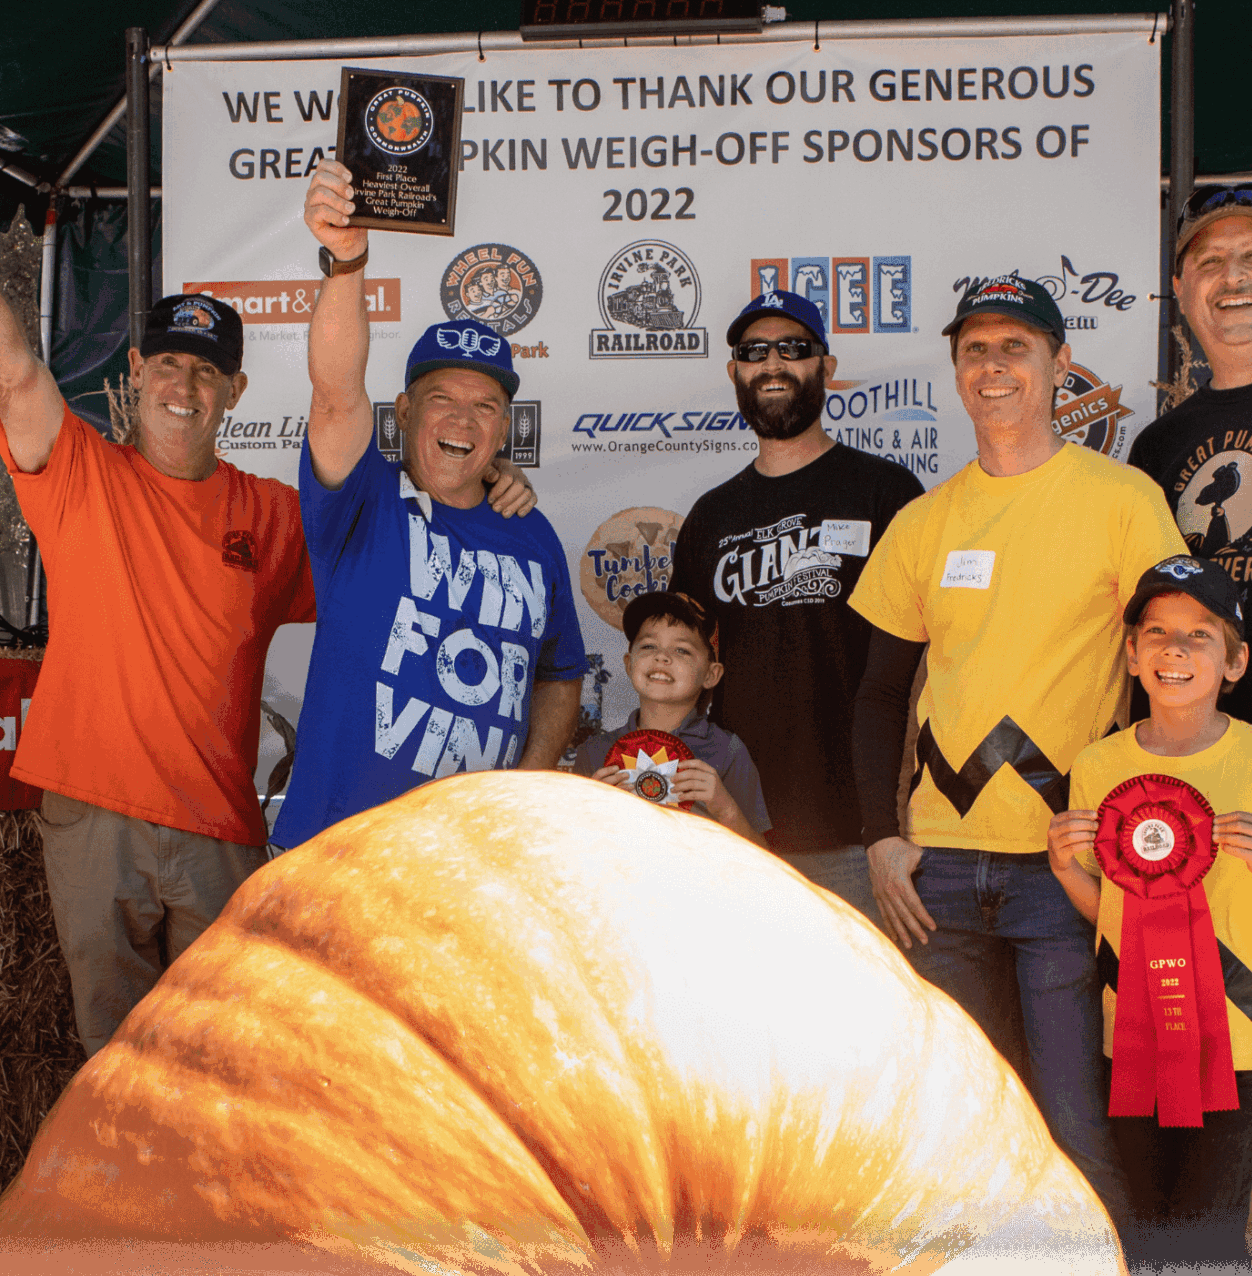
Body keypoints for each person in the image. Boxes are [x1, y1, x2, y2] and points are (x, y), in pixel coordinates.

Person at [850, 275, 1188, 1227]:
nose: (993, 368)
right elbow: (878, 696)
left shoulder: (1123, 500)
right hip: (938, 872)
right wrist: (882, 835)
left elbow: (1173, 657)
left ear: (1059, 365)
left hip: (1065, 864)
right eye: (975, 351)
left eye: (1015, 349)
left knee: (1075, 1121)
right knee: (967, 1123)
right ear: (957, 373)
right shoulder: (925, 522)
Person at [0, 292, 317, 1056]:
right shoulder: (79, 469)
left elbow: (383, 561)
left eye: (208, 371)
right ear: (136, 369)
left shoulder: (275, 515)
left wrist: (495, 486)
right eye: (169, 363)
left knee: (218, 1060)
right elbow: (13, 375)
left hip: (220, 828)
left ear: (236, 392)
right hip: (96, 816)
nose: (185, 387)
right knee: (111, 1061)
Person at [283, 157, 581, 847]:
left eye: (485, 407)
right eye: (442, 400)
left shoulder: (531, 533)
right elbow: (334, 390)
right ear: (405, 412)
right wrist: (347, 263)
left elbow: (560, 676)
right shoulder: (365, 501)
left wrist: (525, 794)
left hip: (469, 867)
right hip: (339, 853)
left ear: (505, 429)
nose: (463, 422)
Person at [1048, 555, 1252, 1276]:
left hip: (1240, 1038)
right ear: (1133, 655)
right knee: (1149, 1224)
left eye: (1198, 638)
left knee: (1211, 1231)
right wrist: (1061, 869)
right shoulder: (1099, 765)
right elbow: (1104, 908)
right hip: (1134, 1035)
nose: (1174, 653)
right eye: (1157, 636)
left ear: (1236, 661)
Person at [668, 289, 925, 916]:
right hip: (740, 823)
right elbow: (680, 675)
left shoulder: (886, 491)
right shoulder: (711, 516)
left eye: (794, 348)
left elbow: (925, 665)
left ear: (827, 369)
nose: (773, 364)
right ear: (735, 373)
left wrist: (893, 822)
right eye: (754, 352)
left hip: (864, 833)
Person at [1126, 182, 1252, 730]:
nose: (1233, 277)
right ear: (1179, 288)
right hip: (1193, 763)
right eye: (1210, 261)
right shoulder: (1156, 446)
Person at [573, 589, 770, 846]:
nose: (662, 656)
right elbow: (574, 850)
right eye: (648, 645)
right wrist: (594, 811)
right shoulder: (594, 753)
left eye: (682, 650)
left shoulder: (727, 751)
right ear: (628, 663)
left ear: (711, 674)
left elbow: (764, 860)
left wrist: (725, 808)